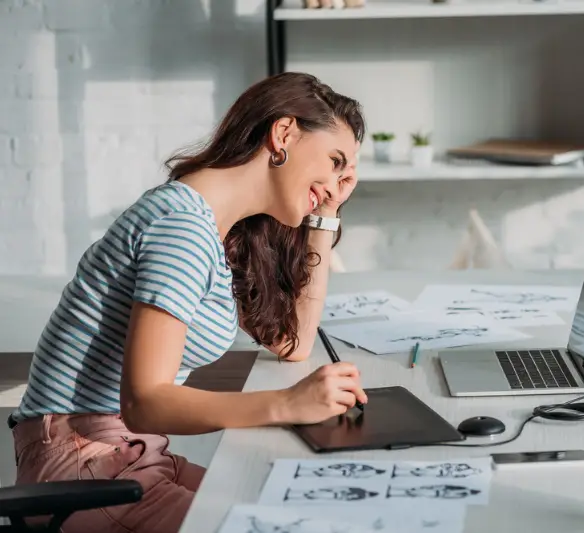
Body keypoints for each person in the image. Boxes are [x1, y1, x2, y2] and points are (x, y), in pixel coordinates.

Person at [8, 72, 369, 533]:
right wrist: (286, 404)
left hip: (128, 454)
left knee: (307, 507)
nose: (339, 180)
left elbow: (291, 342)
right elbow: (145, 401)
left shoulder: (218, 230)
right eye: (335, 160)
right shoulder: (183, 228)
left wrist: (324, 215)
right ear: (283, 134)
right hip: (83, 466)